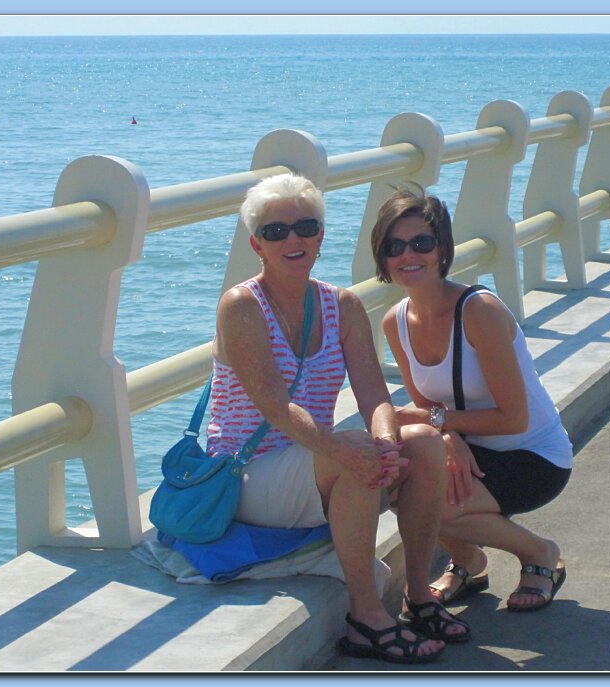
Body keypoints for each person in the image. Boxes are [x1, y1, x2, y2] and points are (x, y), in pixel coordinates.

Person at [209, 173, 468, 664]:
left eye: (306, 227)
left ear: (322, 236)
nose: (293, 240)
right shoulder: (242, 306)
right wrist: (345, 449)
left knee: (425, 442)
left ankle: (419, 594)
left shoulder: (341, 305)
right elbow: (274, 406)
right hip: (248, 474)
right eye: (275, 231)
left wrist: (389, 444)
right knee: (354, 456)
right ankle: (367, 619)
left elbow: (375, 396)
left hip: (310, 464)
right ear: (255, 244)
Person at [370, 189, 574, 613]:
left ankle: (540, 554)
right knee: (396, 475)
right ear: (382, 257)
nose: (409, 255)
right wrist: (446, 439)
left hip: (533, 456)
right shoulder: (396, 323)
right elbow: (429, 410)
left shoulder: (478, 310)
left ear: (442, 249)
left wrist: (441, 426)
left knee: (427, 503)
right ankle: (469, 562)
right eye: (394, 246)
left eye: (422, 243)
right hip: (473, 448)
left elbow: (514, 417)